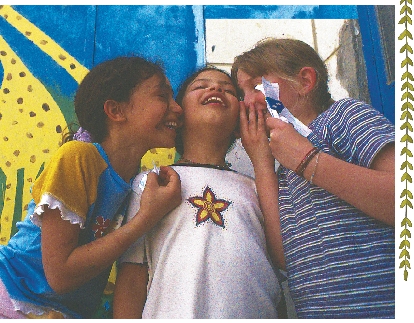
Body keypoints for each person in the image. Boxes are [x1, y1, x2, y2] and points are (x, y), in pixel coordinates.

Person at [0, 56, 183, 319]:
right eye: (162, 96)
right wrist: (146, 218)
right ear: (116, 111)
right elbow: (60, 275)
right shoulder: (78, 157)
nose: (177, 108)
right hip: (13, 297)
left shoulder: (138, 181)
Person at [231, 38, 395, 319]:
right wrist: (262, 161)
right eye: (242, 92)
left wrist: (307, 160)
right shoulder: (283, 167)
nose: (247, 102)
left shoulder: (343, 116)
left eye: (258, 86)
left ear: (305, 81)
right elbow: (284, 258)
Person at [113, 67, 283, 319]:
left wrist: (261, 157)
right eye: (201, 86)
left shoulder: (259, 188)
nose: (215, 89)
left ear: (239, 124)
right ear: (178, 116)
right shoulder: (152, 182)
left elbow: (277, 270)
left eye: (227, 90)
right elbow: (132, 280)